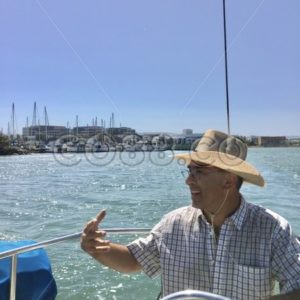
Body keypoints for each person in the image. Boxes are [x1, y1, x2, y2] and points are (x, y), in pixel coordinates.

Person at [81, 129, 300, 300]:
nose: (188, 180)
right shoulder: (173, 223)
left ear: (228, 181)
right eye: (190, 171)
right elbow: (134, 260)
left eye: (199, 172)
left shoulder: (272, 230)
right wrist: (100, 248)